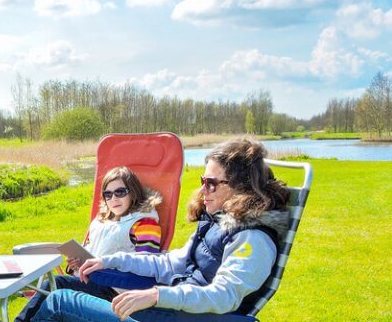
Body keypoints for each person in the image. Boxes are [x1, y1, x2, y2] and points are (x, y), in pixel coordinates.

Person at [29, 138, 291, 322]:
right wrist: (107, 261)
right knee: (59, 282)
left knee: (61, 301)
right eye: (203, 181)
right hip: (171, 306)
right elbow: (168, 263)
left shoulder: (253, 239)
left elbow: (224, 297)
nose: (202, 190)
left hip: (187, 317)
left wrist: (156, 296)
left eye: (211, 183)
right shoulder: (215, 223)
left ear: (241, 186)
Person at [16, 166, 162, 321]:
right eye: (108, 194)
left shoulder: (144, 223)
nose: (114, 199)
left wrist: (103, 268)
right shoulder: (101, 222)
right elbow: (90, 252)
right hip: (92, 282)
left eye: (120, 192)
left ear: (132, 192)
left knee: (56, 283)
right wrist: (75, 265)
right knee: (53, 289)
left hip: (116, 290)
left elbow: (146, 266)